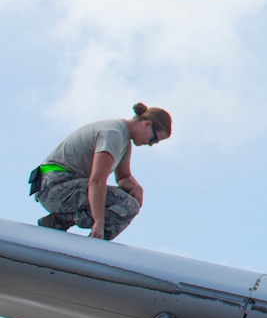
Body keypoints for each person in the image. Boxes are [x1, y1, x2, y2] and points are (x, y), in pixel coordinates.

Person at [29, 103, 173, 241]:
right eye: (153, 139)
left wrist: (137, 188)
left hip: (61, 186)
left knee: (129, 199)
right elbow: (97, 181)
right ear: (146, 124)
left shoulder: (124, 141)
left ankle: (64, 222)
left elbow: (124, 177)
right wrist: (98, 222)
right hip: (54, 185)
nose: (150, 144)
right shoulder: (113, 134)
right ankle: (82, 234)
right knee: (127, 205)